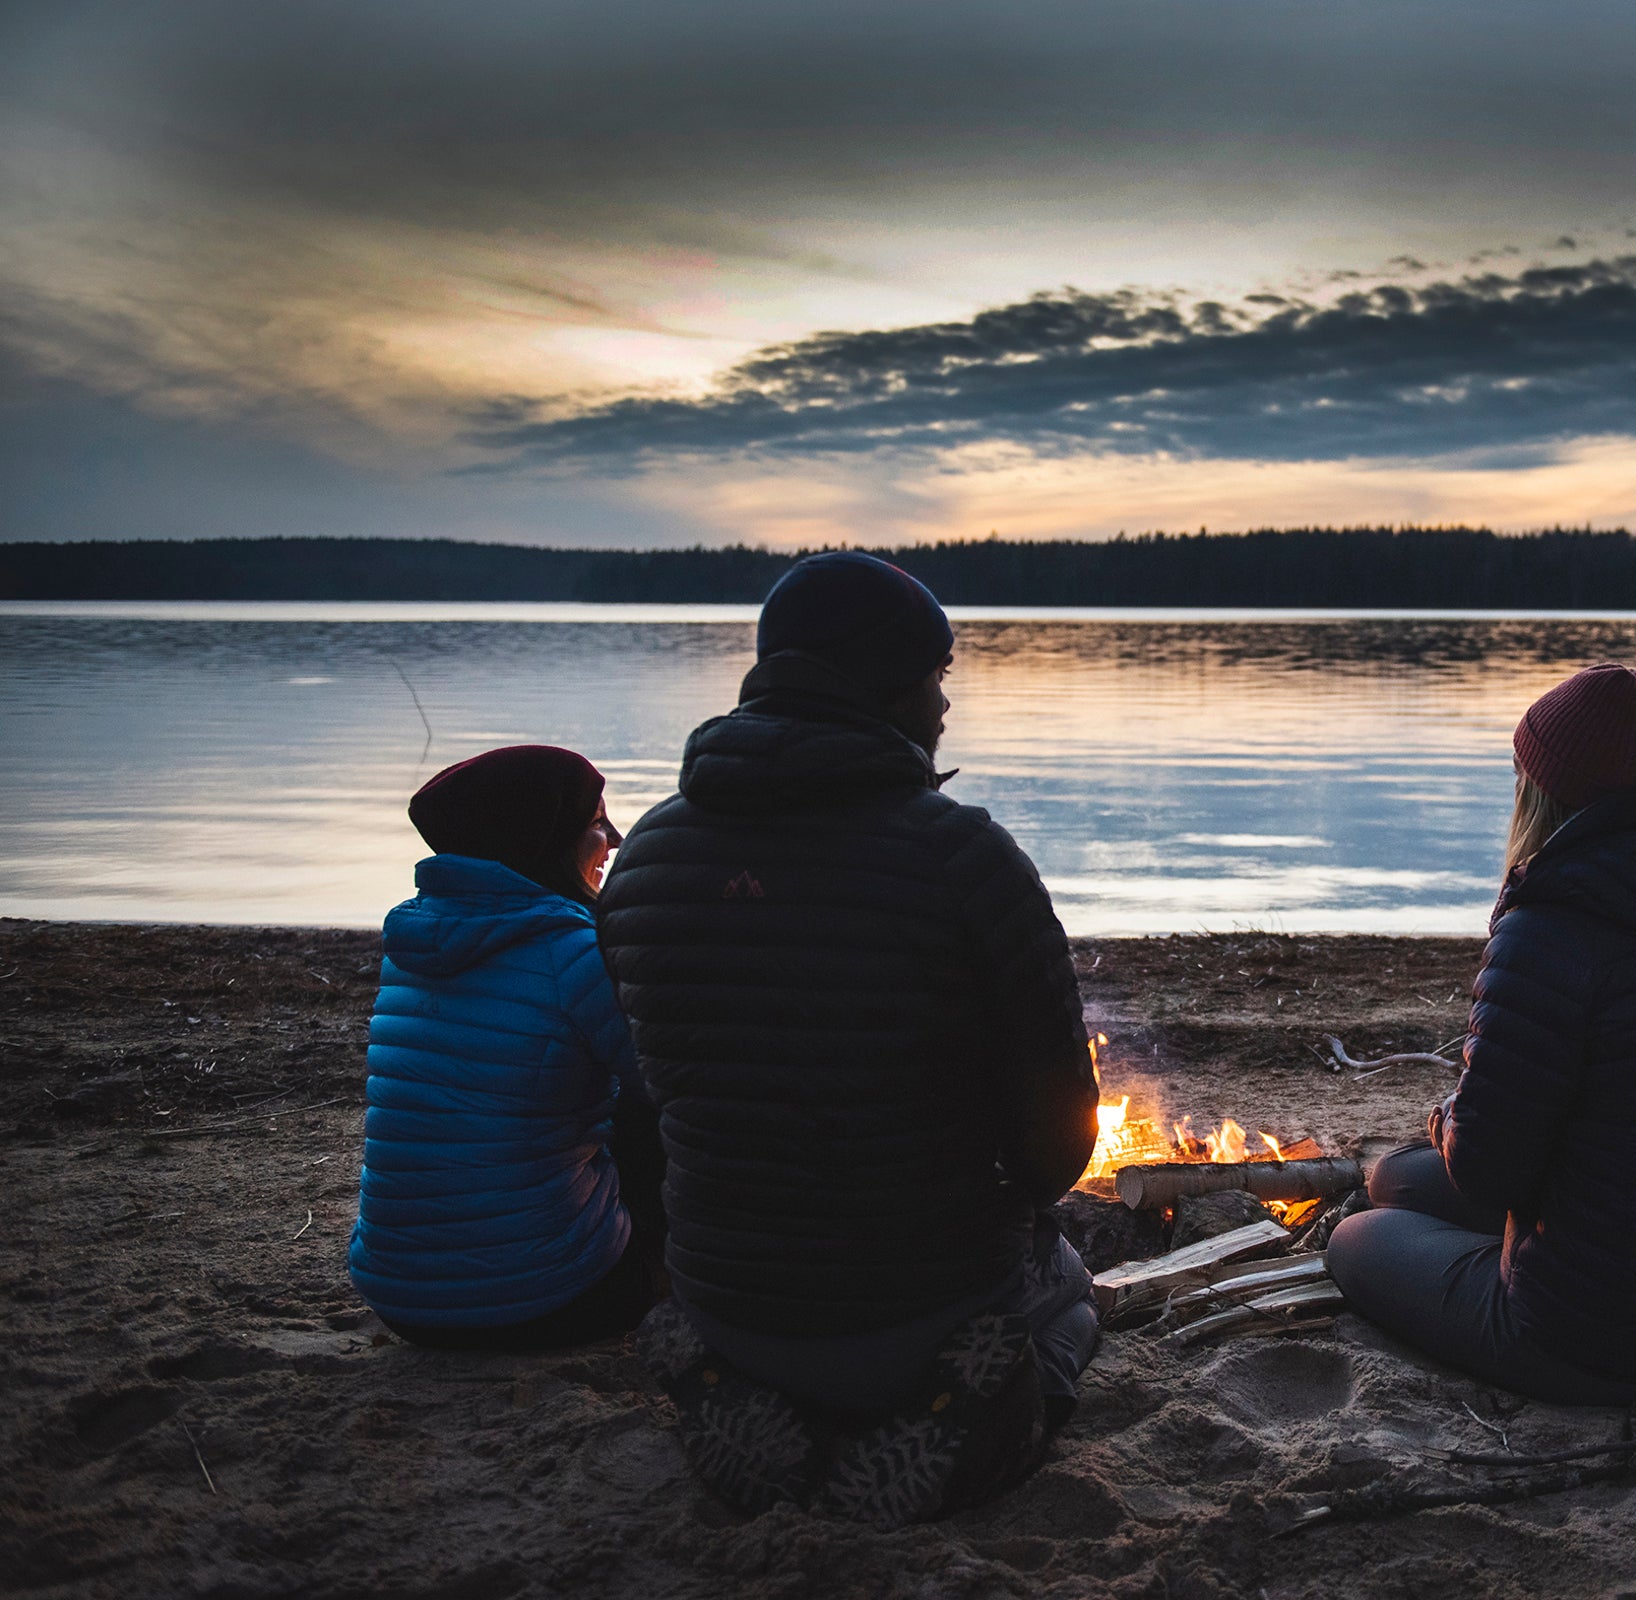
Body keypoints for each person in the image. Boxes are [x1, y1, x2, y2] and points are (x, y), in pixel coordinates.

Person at [597, 551, 1100, 1526]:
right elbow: (1058, 1151)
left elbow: (646, 1099)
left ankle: (727, 1385)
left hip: (726, 1302)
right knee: (1072, 1291)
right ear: (892, 683)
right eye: (939, 677)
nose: (946, 709)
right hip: (920, 1312)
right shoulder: (963, 855)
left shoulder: (646, 856)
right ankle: (968, 1418)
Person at [1326, 664, 1636, 1404]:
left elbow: (1489, 1171)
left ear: (1541, 788)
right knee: (1392, 1178)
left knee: (1354, 1240)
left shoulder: (1546, 930)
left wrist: (1448, 1116)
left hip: (1585, 1330)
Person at [349, 745, 666, 1349]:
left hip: (399, 1299)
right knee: (653, 1111)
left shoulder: (416, 940)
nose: (618, 839)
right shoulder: (571, 951)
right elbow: (678, 1087)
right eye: (599, 821)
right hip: (544, 1299)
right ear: (548, 838)